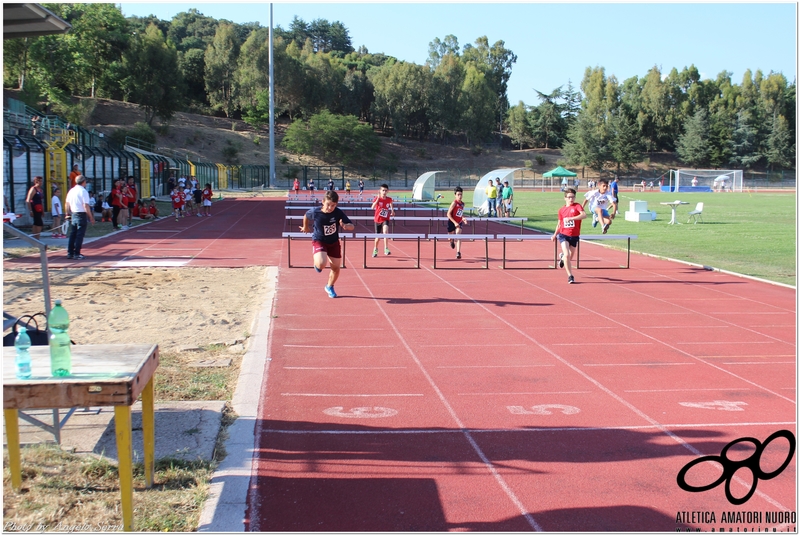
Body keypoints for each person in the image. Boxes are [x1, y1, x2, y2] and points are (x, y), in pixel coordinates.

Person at [299, 190, 355, 298]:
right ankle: (317, 262)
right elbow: (306, 215)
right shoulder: (315, 212)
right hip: (319, 240)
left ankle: (329, 286)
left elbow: (351, 226)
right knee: (321, 264)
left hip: (333, 242)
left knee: (336, 268)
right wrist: (305, 226)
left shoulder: (338, 212)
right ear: (323, 202)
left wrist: (346, 226)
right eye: (328, 205)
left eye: (333, 205)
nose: (330, 208)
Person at [552, 187, 588, 284]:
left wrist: (572, 218)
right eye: (569, 197)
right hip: (564, 235)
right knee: (567, 255)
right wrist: (555, 234)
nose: (571, 199)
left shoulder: (577, 206)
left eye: (573, 197)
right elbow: (559, 224)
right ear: (565, 198)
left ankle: (562, 257)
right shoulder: (561, 210)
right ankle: (570, 276)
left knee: (569, 258)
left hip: (574, 235)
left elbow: (584, 215)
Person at [64, 175, 95, 259]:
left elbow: (67, 203)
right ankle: (77, 253)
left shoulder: (71, 191)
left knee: (73, 234)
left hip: (74, 213)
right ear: (83, 182)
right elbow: (86, 205)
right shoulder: (83, 191)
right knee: (79, 235)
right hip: (81, 214)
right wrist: (91, 217)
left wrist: (67, 213)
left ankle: (70, 252)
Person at [371, 183, 395, 257]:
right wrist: (377, 200)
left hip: (385, 219)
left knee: (385, 231)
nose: (384, 192)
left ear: (388, 191)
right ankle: (375, 249)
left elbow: (391, 203)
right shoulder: (377, 198)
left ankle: (386, 248)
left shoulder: (389, 199)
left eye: (386, 191)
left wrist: (392, 210)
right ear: (380, 191)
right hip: (377, 220)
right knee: (377, 238)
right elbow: (372, 207)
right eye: (383, 190)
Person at [446, 186, 468, 259]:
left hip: (459, 222)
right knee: (450, 237)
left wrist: (463, 218)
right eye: (458, 194)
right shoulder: (454, 203)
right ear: (455, 195)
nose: (460, 196)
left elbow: (460, 214)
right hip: (452, 222)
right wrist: (454, 222)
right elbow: (448, 214)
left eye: (461, 194)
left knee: (458, 235)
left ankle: (458, 252)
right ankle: (451, 241)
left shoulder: (463, 204)